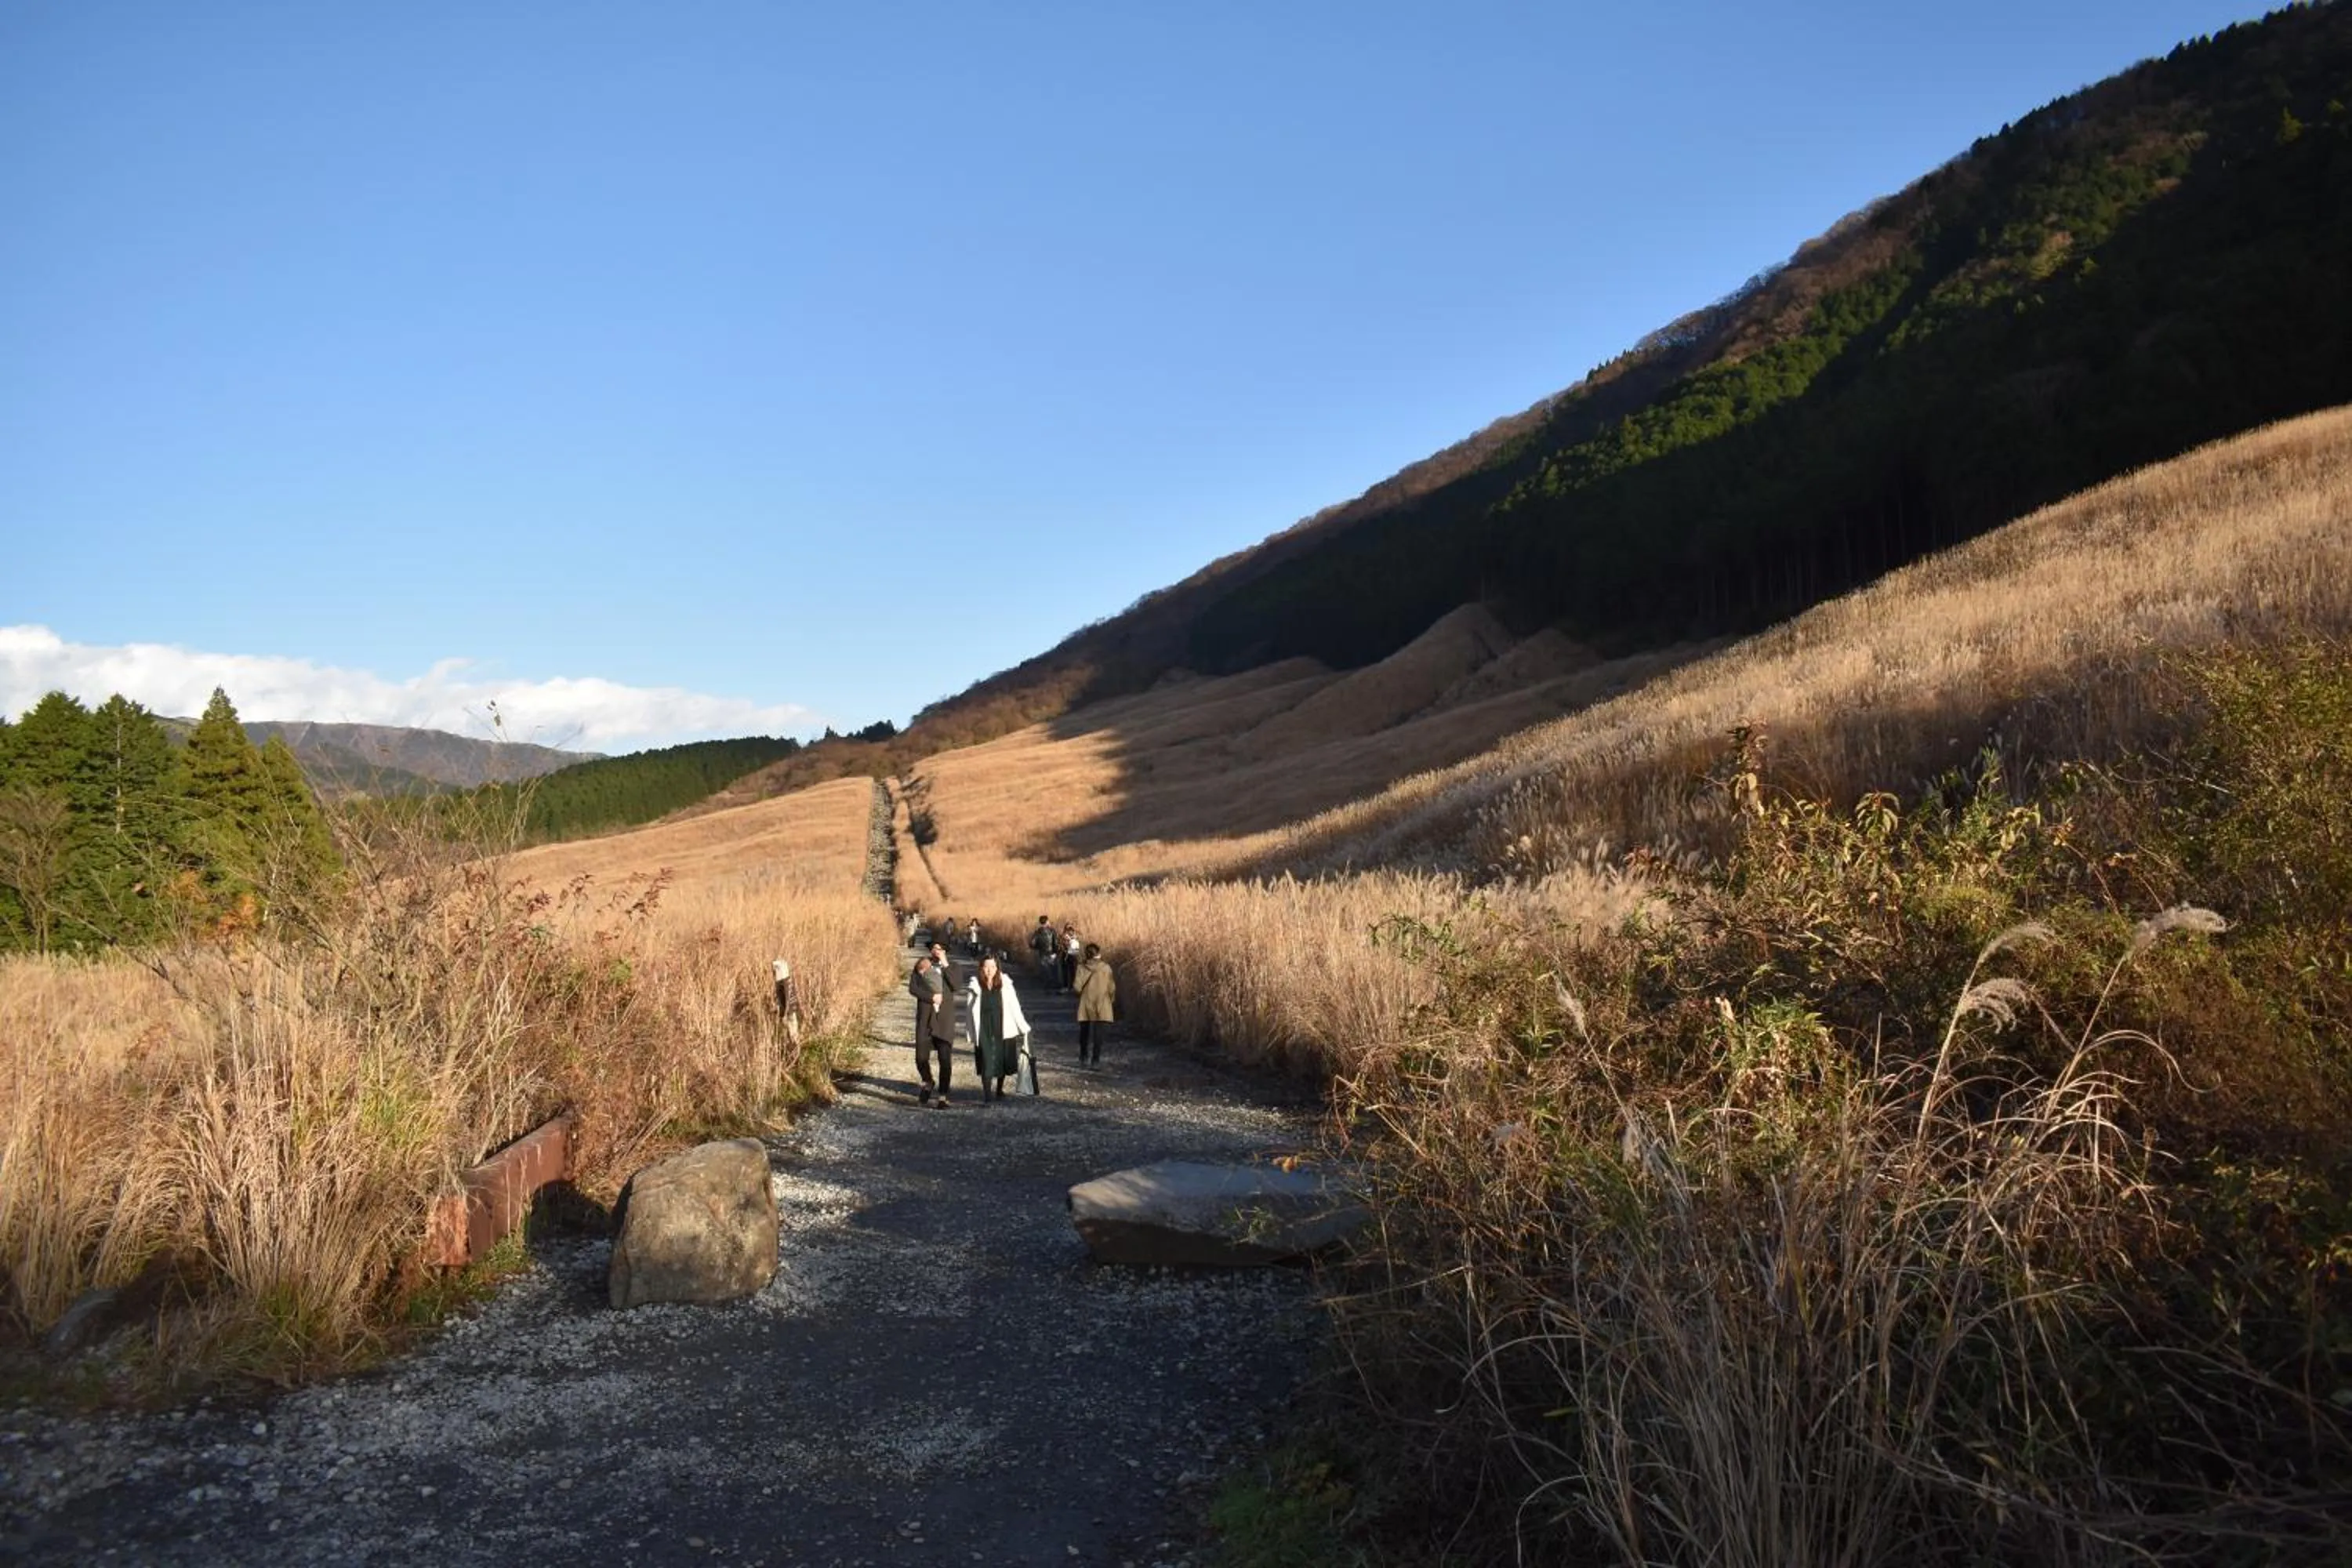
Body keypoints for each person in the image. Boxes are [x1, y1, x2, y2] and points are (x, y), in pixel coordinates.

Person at [963, 953, 1033, 1103]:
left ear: (997, 968)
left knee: (1002, 1058)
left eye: (993, 967)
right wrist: (970, 1031)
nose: (989, 970)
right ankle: (987, 1095)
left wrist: (1024, 1027)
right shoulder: (975, 986)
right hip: (984, 1027)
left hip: (1003, 1025)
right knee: (986, 1059)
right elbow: (969, 1011)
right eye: (986, 967)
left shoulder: (1005, 984)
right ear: (981, 968)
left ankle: (999, 1089)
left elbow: (1015, 1007)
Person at [907, 946, 956, 1106]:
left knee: (945, 1059)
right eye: (934, 948)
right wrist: (931, 997)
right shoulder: (922, 964)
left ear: (945, 951)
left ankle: (943, 1095)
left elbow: (956, 985)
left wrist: (945, 964)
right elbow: (913, 988)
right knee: (920, 1057)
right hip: (925, 1018)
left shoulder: (953, 967)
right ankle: (928, 1081)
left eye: (940, 948)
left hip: (944, 1020)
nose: (937, 951)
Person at [1073, 942, 1116, 1066]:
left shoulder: (1081, 968)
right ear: (1098, 953)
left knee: (1084, 1031)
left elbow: (1077, 987)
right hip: (1102, 1002)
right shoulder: (1106, 968)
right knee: (1099, 1033)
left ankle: (1083, 1056)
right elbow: (1112, 987)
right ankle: (1095, 1060)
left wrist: (1080, 993)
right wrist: (1111, 1000)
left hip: (1086, 1002)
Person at [1028, 915, 1056, 985]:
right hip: (1051, 953)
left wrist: (1038, 947)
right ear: (1046, 922)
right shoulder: (1052, 931)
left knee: (1045, 969)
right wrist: (1056, 952)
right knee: (1052, 969)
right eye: (1048, 921)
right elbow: (1056, 943)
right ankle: (1053, 984)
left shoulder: (1038, 932)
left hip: (1042, 953)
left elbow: (1032, 944)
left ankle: (1046, 985)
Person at [1060, 924, 1082, 992]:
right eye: (1068, 929)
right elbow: (1061, 947)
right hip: (1069, 956)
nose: (1070, 932)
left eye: (1071, 930)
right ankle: (1068, 986)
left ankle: (1070, 986)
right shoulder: (1065, 937)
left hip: (1070, 956)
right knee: (1068, 972)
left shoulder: (1070, 937)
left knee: (1071, 972)